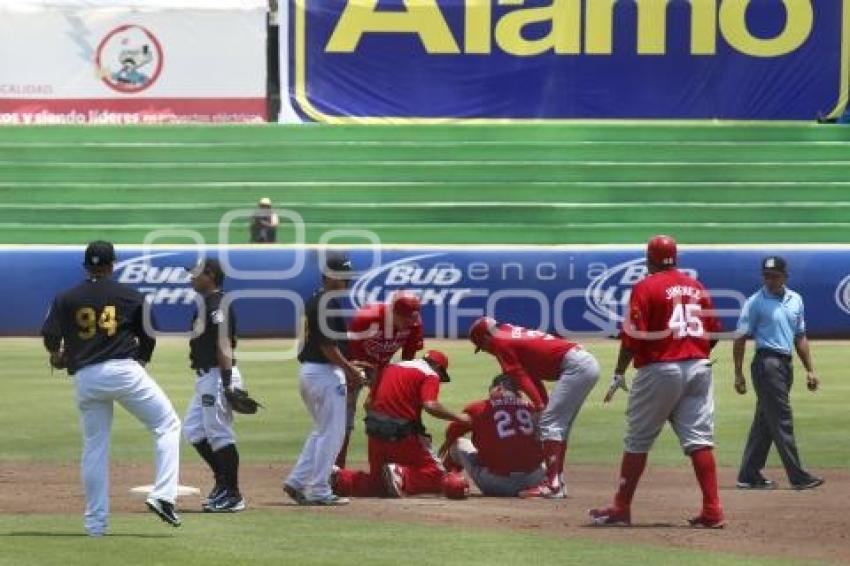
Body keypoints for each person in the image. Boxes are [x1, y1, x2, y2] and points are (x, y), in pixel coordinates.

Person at [41, 241, 181, 535]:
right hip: (123, 369)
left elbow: (51, 336)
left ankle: (95, 525)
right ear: (111, 265)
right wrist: (142, 360)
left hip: (87, 377)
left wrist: (57, 353)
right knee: (167, 425)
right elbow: (150, 335)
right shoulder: (129, 295)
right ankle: (163, 495)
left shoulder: (66, 297)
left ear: (85, 266)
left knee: (95, 447)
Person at [589, 235, 724, 529]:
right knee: (699, 441)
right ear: (675, 257)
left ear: (648, 258)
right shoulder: (695, 285)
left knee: (637, 439)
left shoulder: (646, 286)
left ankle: (621, 508)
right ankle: (713, 510)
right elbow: (714, 331)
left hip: (661, 369)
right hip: (699, 366)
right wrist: (696, 355)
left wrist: (619, 371)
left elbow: (633, 335)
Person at [468, 317, 599, 498]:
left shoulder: (499, 341)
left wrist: (538, 405)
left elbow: (517, 375)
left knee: (550, 424)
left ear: (485, 338)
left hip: (575, 367)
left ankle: (553, 486)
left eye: (482, 347)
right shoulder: (509, 333)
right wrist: (542, 404)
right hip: (582, 363)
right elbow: (530, 376)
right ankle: (556, 482)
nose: (486, 351)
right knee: (559, 426)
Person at [733, 256, 823, 490]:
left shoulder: (796, 300)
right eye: (766, 275)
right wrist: (738, 374)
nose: (769, 280)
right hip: (766, 364)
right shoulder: (755, 302)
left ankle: (748, 474)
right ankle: (798, 476)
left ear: (785, 276)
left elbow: (800, 336)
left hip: (786, 364)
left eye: (774, 275)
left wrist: (810, 370)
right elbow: (740, 338)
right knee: (782, 419)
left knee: (765, 421)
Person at [284, 254, 365, 506]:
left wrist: (352, 366)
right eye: (343, 277)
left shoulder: (317, 300)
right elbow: (328, 346)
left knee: (322, 431)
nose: (347, 282)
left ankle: (297, 481)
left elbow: (327, 345)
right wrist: (351, 371)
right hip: (323, 374)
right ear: (329, 276)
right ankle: (318, 489)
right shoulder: (325, 304)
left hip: (313, 372)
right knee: (333, 433)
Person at [332, 351, 469, 498]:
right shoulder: (430, 374)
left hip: (374, 433)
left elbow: (368, 405)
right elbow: (430, 405)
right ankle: (402, 476)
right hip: (402, 435)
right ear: (437, 366)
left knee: (377, 484)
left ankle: (338, 478)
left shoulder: (391, 367)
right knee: (437, 477)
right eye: (441, 375)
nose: (439, 379)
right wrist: (459, 417)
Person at [182, 258, 247, 512]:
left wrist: (228, 383)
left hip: (218, 376)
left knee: (220, 435)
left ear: (210, 275)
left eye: (195, 274)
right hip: (207, 377)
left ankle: (233, 494)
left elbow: (225, 344)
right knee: (194, 430)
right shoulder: (208, 304)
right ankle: (223, 482)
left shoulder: (217, 304)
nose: (191, 277)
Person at [336, 292, 423, 468]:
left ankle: (385, 469)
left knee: (386, 417)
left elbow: (408, 359)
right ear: (393, 313)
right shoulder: (367, 317)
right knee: (344, 417)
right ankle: (336, 470)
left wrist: (394, 389)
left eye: (412, 319)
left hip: (382, 368)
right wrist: (362, 378)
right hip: (354, 364)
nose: (409, 324)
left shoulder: (414, 324)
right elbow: (349, 351)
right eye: (405, 319)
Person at [439, 374, 545, 497]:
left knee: (458, 443)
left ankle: (447, 479)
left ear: (499, 388)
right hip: (534, 481)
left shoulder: (479, 408)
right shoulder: (531, 408)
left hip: (497, 485)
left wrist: (449, 442)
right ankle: (552, 484)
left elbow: (451, 432)